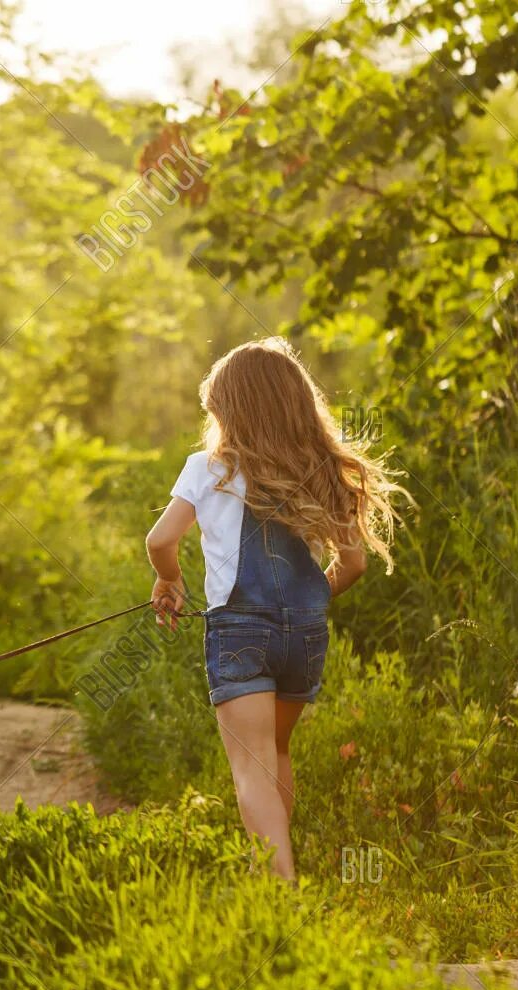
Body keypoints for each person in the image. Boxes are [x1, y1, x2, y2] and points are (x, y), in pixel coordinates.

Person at [146, 339, 403, 880]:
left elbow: (159, 539)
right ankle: (278, 873)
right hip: (303, 637)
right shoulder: (320, 469)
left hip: (239, 632)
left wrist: (170, 579)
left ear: (229, 411)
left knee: (250, 766)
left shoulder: (207, 468)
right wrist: (305, 603)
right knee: (276, 752)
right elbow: (352, 565)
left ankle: (280, 889)